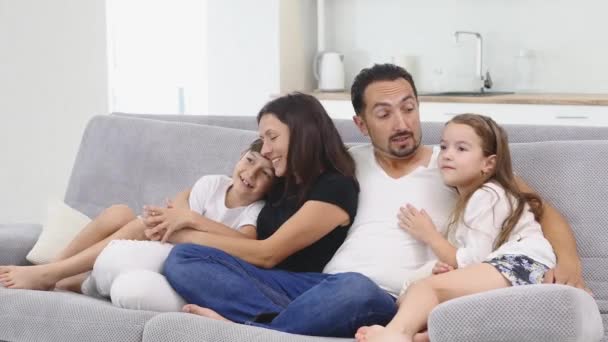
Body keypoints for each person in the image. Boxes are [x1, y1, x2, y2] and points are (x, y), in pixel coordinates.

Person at [321, 63, 587, 337]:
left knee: (373, 291)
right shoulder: (347, 161)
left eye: (409, 109)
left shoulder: (467, 170)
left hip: (370, 295)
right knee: (275, 284)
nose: (401, 123)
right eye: (384, 114)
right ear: (361, 124)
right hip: (329, 285)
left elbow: (538, 210)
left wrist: (569, 264)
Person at [160, 92, 372, 337]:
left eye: (272, 137)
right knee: (183, 259)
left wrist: (185, 230)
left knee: (358, 289)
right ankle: (273, 324)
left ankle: (254, 329)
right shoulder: (280, 180)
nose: (267, 150)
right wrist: (180, 210)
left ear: (303, 133)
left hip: (305, 288)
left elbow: (267, 253)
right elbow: (222, 189)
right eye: (263, 139)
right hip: (261, 283)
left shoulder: (336, 187)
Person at [354, 113, 556, 342]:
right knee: (422, 294)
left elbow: (474, 260)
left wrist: (430, 236)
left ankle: (396, 333)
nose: (447, 155)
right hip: (515, 277)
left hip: (523, 265)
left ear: (488, 163)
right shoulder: (466, 206)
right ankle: (421, 336)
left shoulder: (488, 195)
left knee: (426, 290)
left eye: (461, 149)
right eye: (444, 146)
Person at [0, 139, 274, 301]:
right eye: (249, 161)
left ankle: (50, 275)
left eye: (265, 174)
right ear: (240, 157)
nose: (251, 174)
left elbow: (245, 242)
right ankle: (54, 270)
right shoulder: (213, 184)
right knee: (120, 212)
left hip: (185, 260)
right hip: (170, 242)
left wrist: (189, 219)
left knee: (144, 225)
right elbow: (180, 206)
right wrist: (175, 214)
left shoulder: (256, 210)